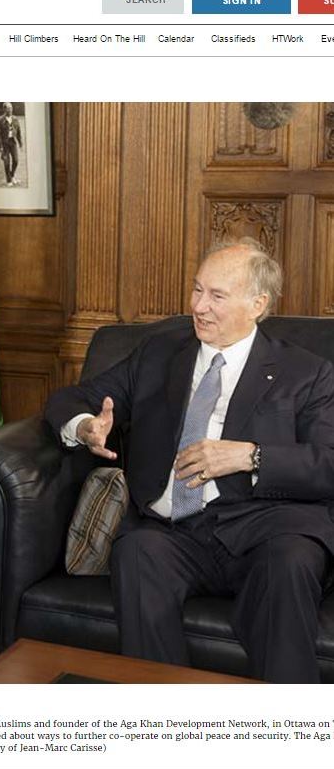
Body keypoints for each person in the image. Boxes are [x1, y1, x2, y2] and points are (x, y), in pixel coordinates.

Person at [45, 237, 334, 682]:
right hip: (175, 531)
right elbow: (77, 397)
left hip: (266, 527)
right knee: (135, 552)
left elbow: (326, 464)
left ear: (257, 304)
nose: (199, 306)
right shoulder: (160, 351)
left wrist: (252, 457)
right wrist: (86, 425)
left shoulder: (307, 372)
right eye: (197, 290)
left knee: (291, 562)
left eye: (217, 296)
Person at [0, 101, 22, 186]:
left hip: (13, 142)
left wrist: (20, 143)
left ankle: (12, 175)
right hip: (4, 143)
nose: (11, 109)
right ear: (4, 109)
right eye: (8, 108)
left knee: (16, 160)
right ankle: (9, 181)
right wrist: (0, 146)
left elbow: (18, 132)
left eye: (11, 108)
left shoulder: (15, 119)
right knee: (6, 162)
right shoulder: (0, 120)